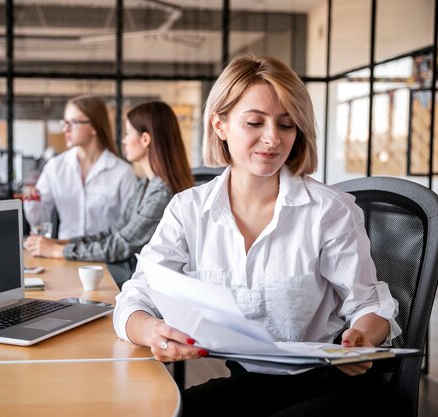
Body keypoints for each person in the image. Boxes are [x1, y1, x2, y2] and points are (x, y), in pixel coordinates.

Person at [113, 55, 401, 417]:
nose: (272, 139)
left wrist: (363, 338)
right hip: (251, 384)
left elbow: (370, 306)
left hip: (330, 385)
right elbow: (135, 296)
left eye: (286, 125)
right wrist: (152, 331)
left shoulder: (329, 210)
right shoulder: (188, 210)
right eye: (254, 122)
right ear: (220, 124)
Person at [24, 101, 194, 267]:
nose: (124, 140)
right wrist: (61, 243)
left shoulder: (162, 193)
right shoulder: (145, 185)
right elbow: (115, 231)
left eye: (128, 133)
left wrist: (57, 250)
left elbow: (122, 245)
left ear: (145, 139)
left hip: (138, 278)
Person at [23, 95, 137, 239]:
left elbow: (130, 227)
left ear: (95, 127)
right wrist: (33, 200)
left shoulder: (122, 172)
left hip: (105, 256)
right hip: (63, 254)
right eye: (65, 123)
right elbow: (39, 221)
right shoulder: (55, 167)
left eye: (74, 122)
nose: (66, 129)